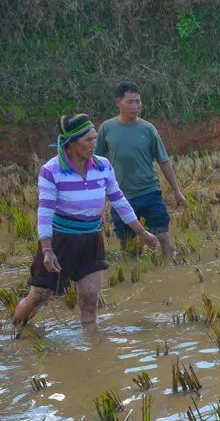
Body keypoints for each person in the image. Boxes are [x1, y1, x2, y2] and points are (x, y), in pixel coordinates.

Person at [13, 114, 158, 327]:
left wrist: (142, 233)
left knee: (90, 299)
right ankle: (17, 331)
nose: (94, 144)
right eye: (88, 140)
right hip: (60, 240)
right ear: (71, 143)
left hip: (91, 239)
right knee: (39, 296)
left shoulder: (103, 166)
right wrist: (47, 250)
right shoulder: (51, 170)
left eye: (95, 138)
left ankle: (91, 347)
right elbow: (45, 212)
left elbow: (119, 200)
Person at [95, 82, 186, 259]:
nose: (135, 106)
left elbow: (163, 160)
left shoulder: (148, 129)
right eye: (130, 102)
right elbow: (96, 162)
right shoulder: (106, 129)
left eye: (138, 101)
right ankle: (134, 278)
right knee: (127, 245)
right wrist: (99, 195)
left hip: (149, 191)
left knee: (162, 236)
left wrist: (177, 191)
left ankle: (167, 270)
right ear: (118, 102)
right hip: (121, 196)